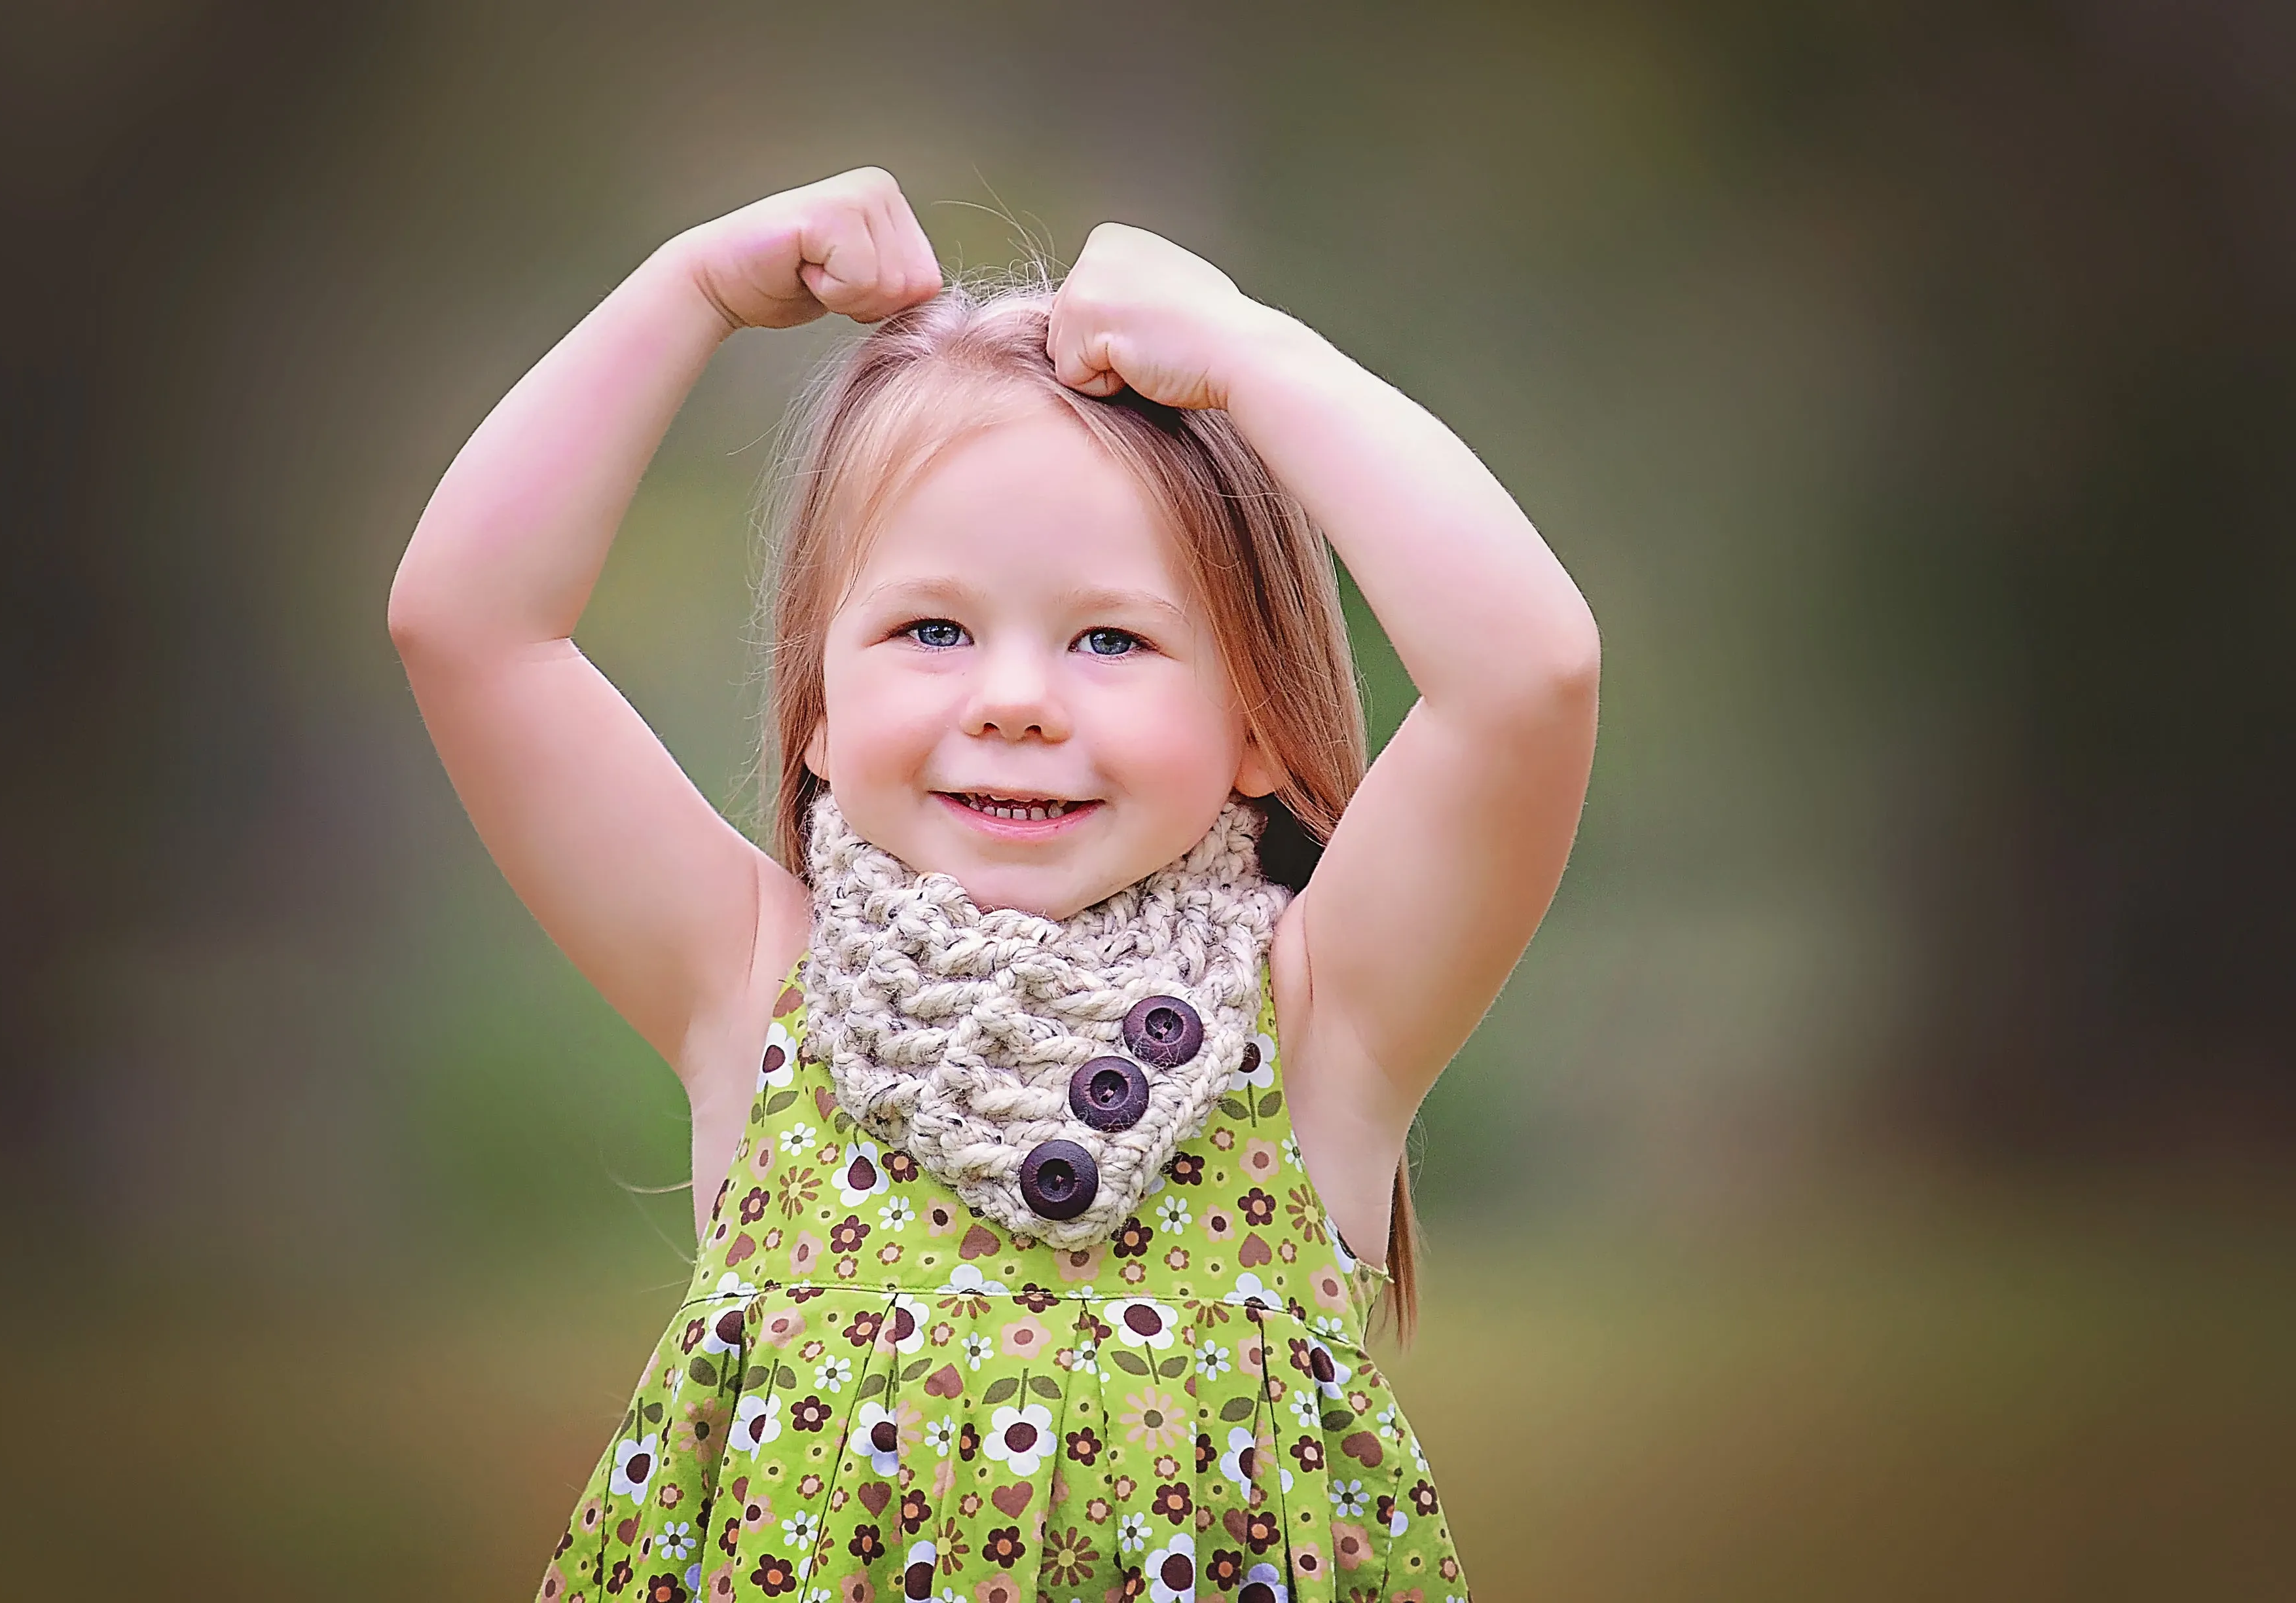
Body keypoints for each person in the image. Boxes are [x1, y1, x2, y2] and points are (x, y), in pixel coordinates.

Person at [390, 167, 1598, 1603]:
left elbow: (1528, 680)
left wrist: (1254, 354)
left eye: (1109, 642)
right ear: (818, 714)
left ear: (1259, 727)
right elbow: (470, 627)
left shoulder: (1322, 1017)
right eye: (932, 629)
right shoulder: (755, 984)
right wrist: (692, 290)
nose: (1016, 700)